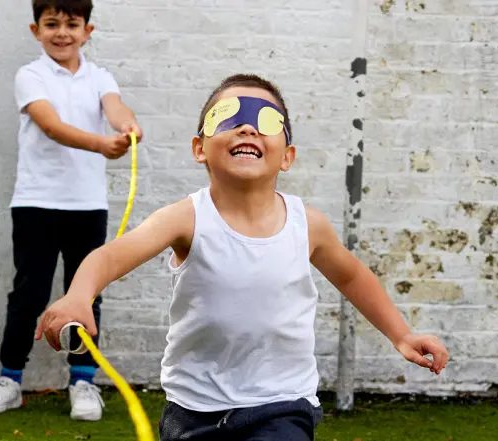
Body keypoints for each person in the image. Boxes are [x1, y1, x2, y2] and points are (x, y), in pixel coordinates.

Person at [34, 74, 448, 440]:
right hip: (194, 407)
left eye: (267, 121)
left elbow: (352, 276)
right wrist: (79, 294)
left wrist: (401, 334)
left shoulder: (308, 224)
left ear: (287, 156)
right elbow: (110, 257)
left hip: (282, 404)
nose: (247, 127)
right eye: (228, 118)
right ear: (200, 148)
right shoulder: (185, 218)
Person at [0, 0, 143, 422]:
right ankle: (10, 379)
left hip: (87, 206)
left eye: (72, 24)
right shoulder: (30, 75)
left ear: (88, 31)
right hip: (36, 202)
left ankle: (82, 381)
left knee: (85, 294)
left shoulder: (100, 77)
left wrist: (127, 125)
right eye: (52, 24)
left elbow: (115, 108)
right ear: (36, 30)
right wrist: (101, 144)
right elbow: (50, 125)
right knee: (29, 293)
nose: (62, 32)